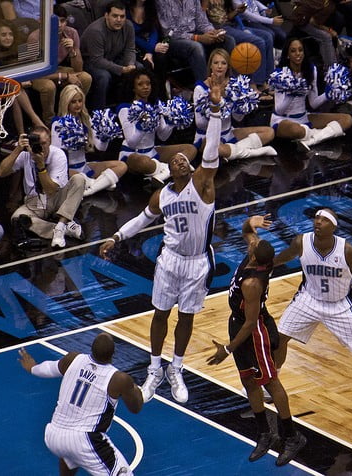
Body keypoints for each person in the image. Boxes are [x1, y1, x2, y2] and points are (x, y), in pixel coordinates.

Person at [100, 74, 224, 403]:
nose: (180, 159)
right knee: (160, 314)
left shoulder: (203, 184)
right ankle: (155, 369)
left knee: (186, 317)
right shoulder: (163, 195)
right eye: (175, 160)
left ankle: (177, 368)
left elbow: (210, 150)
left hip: (198, 262)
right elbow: (142, 218)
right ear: (170, 170)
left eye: (184, 158)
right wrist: (116, 236)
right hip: (169, 260)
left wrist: (215, 109)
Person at [207, 214, 307, 466]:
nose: (250, 242)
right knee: (249, 381)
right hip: (238, 324)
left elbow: (251, 322)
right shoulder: (259, 257)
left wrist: (227, 350)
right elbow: (246, 232)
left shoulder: (252, 283)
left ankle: (292, 436)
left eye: (252, 244)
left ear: (253, 256)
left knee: (270, 382)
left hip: (255, 331)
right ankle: (265, 432)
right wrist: (252, 221)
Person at [273, 208, 352, 408]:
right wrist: (263, 265)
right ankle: (271, 383)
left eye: (324, 220)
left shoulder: (347, 250)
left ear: (333, 226)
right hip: (308, 299)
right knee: (279, 338)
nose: (318, 222)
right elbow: (282, 258)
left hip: (340, 305)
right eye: (316, 218)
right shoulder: (302, 242)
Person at [18, 332, 143, 475]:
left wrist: (32, 368)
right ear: (113, 353)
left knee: (70, 456)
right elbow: (136, 408)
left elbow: (48, 369)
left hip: (54, 434)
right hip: (84, 439)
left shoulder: (73, 359)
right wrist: (136, 390)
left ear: (92, 348)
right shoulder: (119, 379)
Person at [0, 126, 86, 249]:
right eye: (37, 144)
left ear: (49, 141)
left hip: (58, 198)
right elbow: (1, 172)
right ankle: (61, 230)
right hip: (35, 201)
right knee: (17, 219)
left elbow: (51, 190)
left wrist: (41, 167)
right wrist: (17, 149)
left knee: (79, 179)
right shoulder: (26, 154)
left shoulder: (58, 155)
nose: (41, 147)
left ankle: (61, 224)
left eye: (44, 143)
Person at [270, 37, 352, 150]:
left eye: (300, 50)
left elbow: (313, 103)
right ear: (287, 55)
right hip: (283, 120)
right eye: (293, 51)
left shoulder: (311, 69)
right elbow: (279, 110)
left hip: (304, 118)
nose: (298, 54)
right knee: (296, 130)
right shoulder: (281, 74)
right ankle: (322, 134)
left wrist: (327, 95)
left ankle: (312, 139)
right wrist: (292, 94)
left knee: (347, 119)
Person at [194, 48, 277, 161]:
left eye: (223, 63)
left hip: (228, 133)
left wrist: (240, 105)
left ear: (228, 66)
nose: (219, 66)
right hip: (207, 137)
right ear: (210, 66)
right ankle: (254, 152)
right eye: (216, 63)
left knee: (269, 132)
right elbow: (200, 124)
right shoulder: (200, 88)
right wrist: (216, 105)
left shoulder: (234, 85)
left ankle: (232, 152)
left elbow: (238, 118)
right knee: (214, 148)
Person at [118, 68, 197, 185]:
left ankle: (162, 172)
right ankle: (172, 169)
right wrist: (142, 126)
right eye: (140, 84)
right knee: (143, 163)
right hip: (133, 154)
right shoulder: (125, 109)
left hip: (152, 152)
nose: (146, 87)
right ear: (133, 87)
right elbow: (131, 142)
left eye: (148, 83)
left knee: (190, 149)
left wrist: (171, 122)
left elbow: (163, 136)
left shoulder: (155, 105)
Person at [51, 84, 127, 196]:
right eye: (73, 102)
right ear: (66, 102)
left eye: (80, 101)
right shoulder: (58, 123)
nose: (78, 105)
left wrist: (105, 136)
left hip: (84, 166)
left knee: (121, 166)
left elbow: (100, 147)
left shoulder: (86, 120)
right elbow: (56, 154)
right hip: (68, 170)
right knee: (80, 178)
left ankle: (91, 188)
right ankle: (102, 183)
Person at [31, 5, 92, 125]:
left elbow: (78, 69)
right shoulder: (35, 37)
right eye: (55, 20)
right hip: (37, 73)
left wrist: (72, 51)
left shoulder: (72, 33)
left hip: (56, 68)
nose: (59, 24)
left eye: (62, 21)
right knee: (49, 86)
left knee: (85, 77)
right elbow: (36, 72)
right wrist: (65, 76)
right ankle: (50, 121)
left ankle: (73, 114)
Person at [203, 0, 275, 93]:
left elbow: (226, 17)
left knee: (267, 36)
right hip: (218, 28)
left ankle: (270, 79)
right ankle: (256, 83)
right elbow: (205, 19)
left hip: (232, 25)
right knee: (259, 42)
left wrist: (237, 11)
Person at [155, 0, 231, 83]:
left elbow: (202, 22)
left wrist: (213, 33)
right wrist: (197, 38)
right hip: (170, 40)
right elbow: (168, 32)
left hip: (194, 34)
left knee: (228, 41)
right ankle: (204, 90)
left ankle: (229, 86)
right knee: (196, 47)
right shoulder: (162, 1)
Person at [80, 1, 137, 111]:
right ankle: (98, 114)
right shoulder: (96, 31)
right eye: (115, 16)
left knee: (138, 68)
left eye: (122, 16)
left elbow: (130, 49)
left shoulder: (128, 26)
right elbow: (97, 60)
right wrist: (121, 69)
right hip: (91, 62)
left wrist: (130, 65)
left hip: (114, 57)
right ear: (106, 15)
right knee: (103, 77)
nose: (119, 20)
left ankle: (130, 110)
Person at [126, 0, 170, 99]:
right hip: (132, 47)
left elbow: (154, 30)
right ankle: (149, 100)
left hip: (150, 44)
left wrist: (150, 51)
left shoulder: (151, 7)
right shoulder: (125, 9)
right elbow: (132, 36)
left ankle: (163, 97)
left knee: (161, 58)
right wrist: (151, 48)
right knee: (146, 64)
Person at [290, 0, 338, 69]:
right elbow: (313, 21)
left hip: (301, 14)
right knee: (326, 37)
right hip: (302, 21)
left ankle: (333, 64)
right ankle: (331, 69)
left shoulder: (328, 4)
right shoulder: (329, 5)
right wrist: (329, 30)